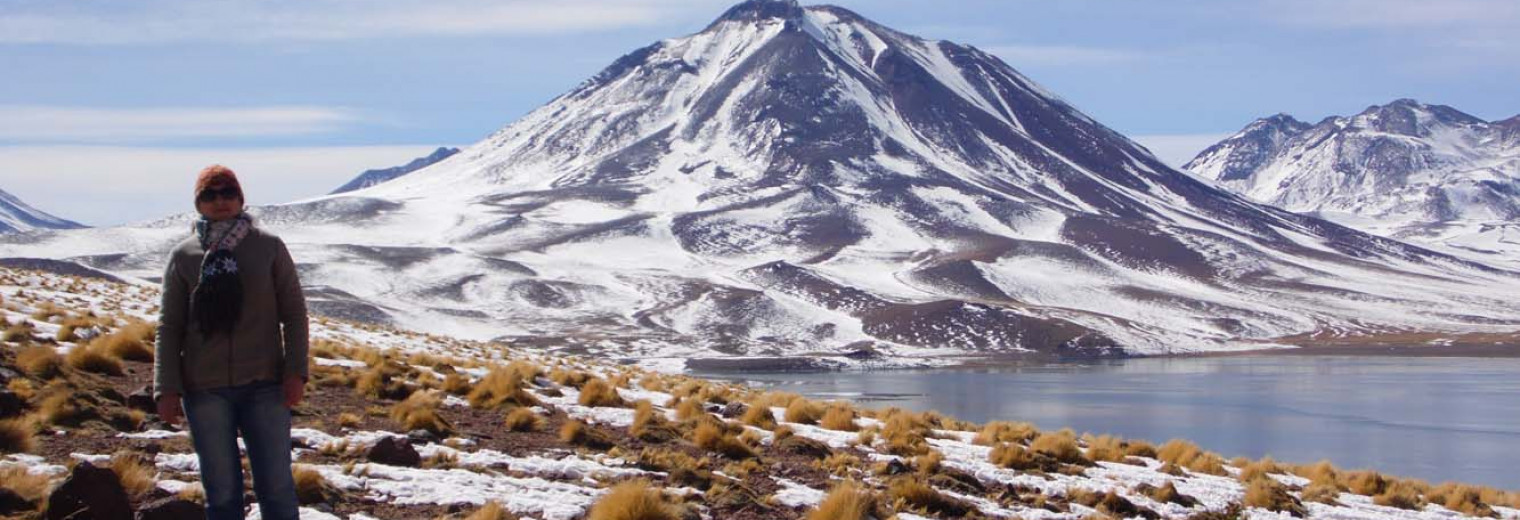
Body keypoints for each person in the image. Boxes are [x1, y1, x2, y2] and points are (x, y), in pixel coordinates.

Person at [154, 165, 309, 520]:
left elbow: (294, 314)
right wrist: (166, 389)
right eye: (210, 194)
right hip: (204, 388)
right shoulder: (184, 256)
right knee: (221, 492)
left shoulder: (268, 247)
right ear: (198, 203)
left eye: (228, 193)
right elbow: (170, 325)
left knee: (277, 488)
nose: (220, 201)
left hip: (265, 385)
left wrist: (296, 372)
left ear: (241, 198)